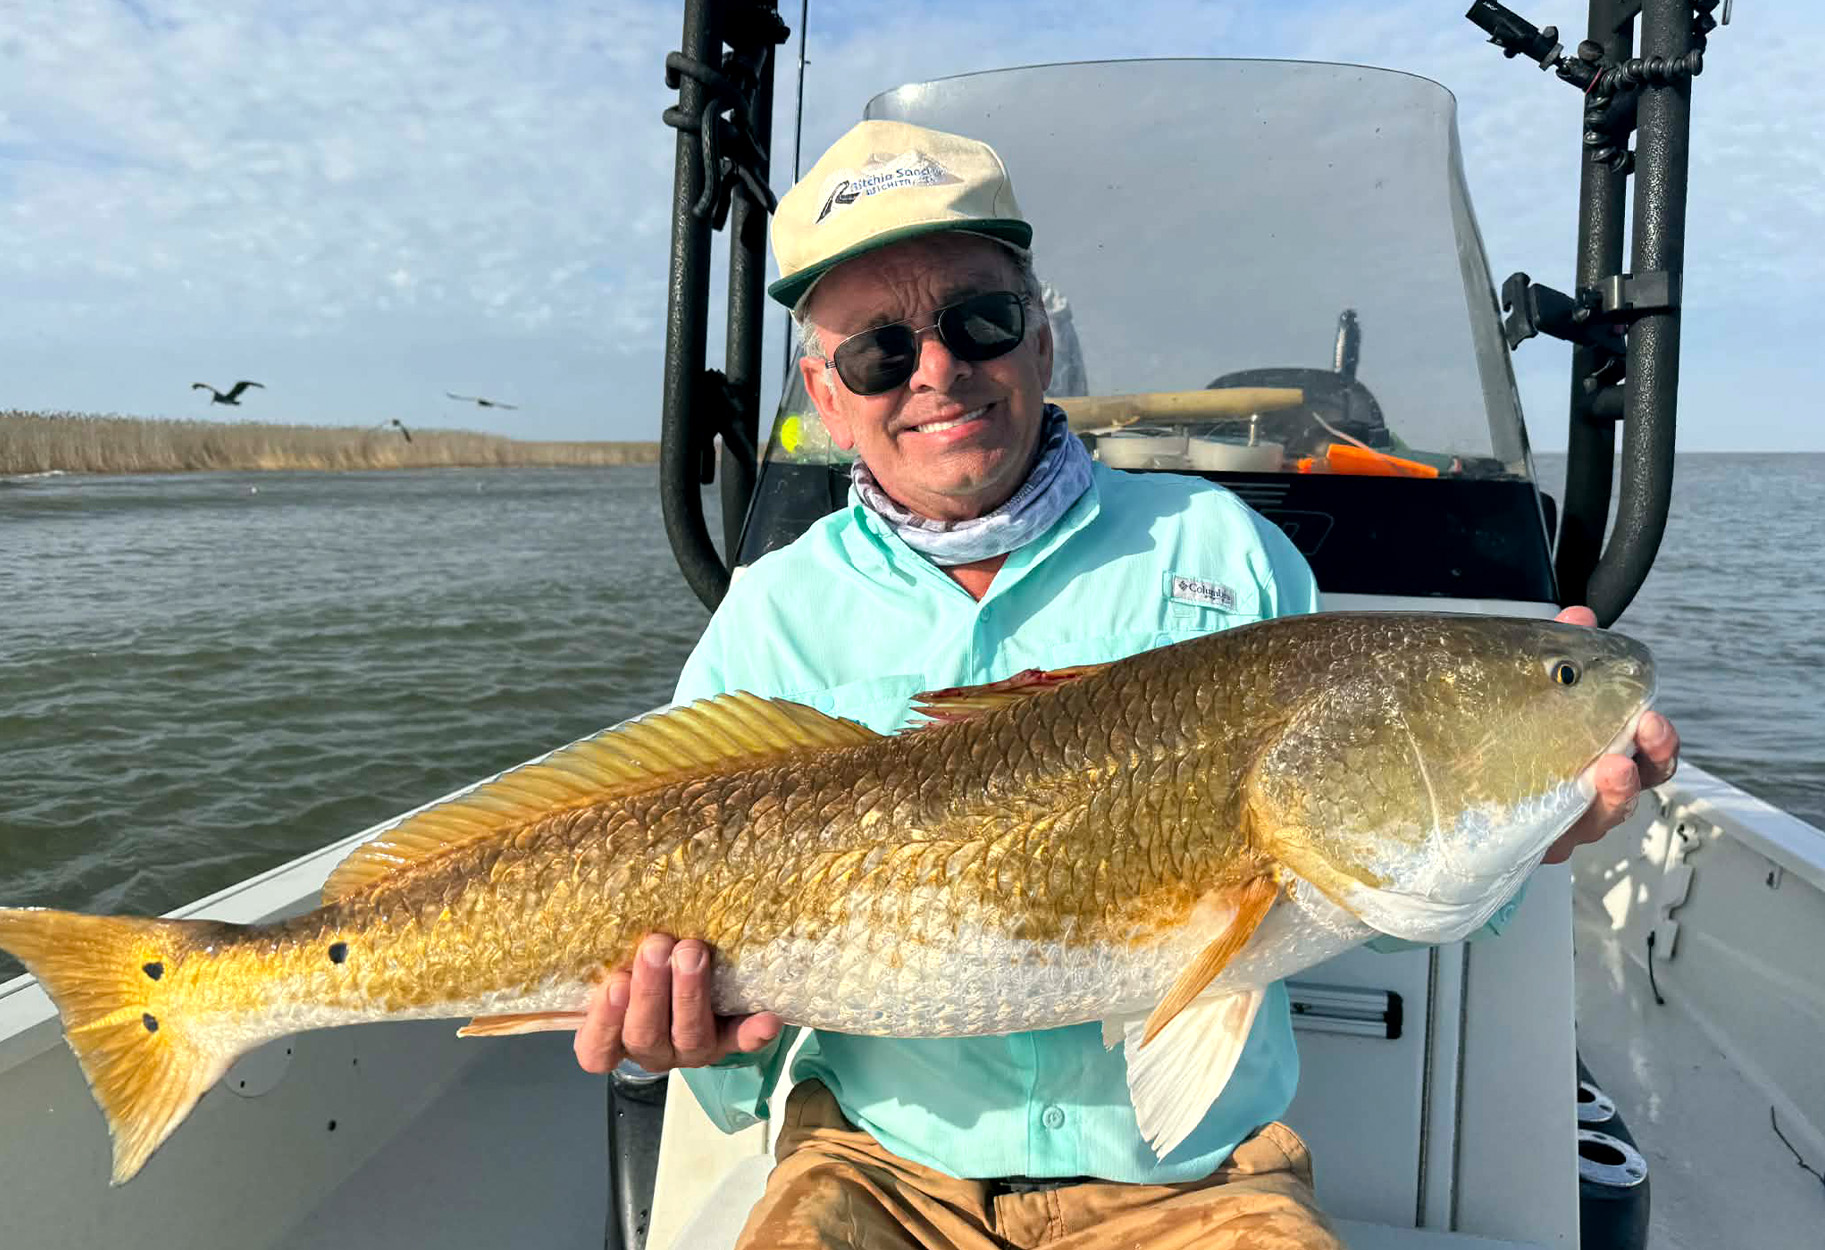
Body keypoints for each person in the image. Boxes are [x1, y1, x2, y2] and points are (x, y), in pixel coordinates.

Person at [574, 120, 1682, 1248]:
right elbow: (704, 1016)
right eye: (877, 351)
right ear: (825, 387)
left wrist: (1532, 833)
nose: (938, 371)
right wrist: (687, 1040)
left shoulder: (1224, 550)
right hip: (875, 1167)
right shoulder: (770, 614)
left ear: (1040, 338)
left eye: (979, 321)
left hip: (1196, 1183)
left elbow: (1359, 879)